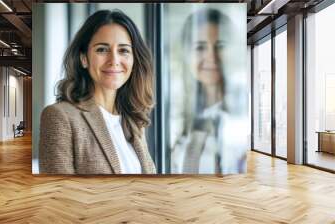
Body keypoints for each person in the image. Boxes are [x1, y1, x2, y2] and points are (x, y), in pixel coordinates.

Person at [39, 10, 156, 174]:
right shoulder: (59, 117)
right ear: (83, 58)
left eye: (123, 50)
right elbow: (58, 194)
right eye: (102, 49)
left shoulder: (133, 122)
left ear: (134, 60)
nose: (114, 60)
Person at [171, 8, 247, 174]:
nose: (211, 56)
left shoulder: (241, 118)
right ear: (186, 54)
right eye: (200, 47)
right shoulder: (177, 118)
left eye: (220, 46)